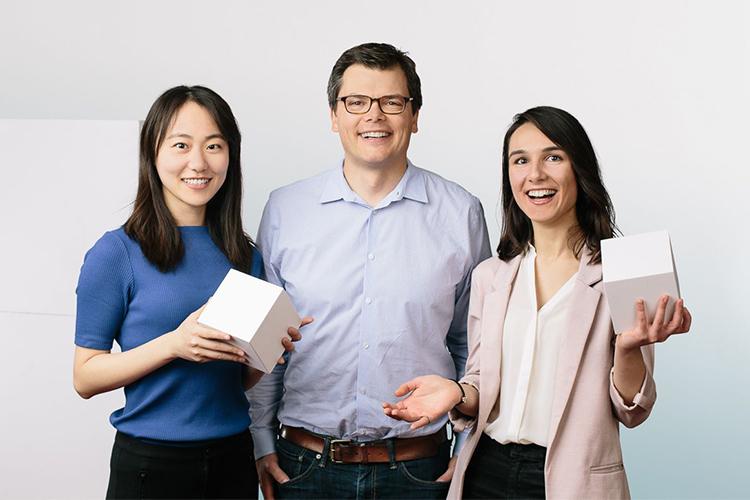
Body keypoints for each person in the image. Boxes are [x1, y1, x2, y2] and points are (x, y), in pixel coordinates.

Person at [383, 106, 692, 499]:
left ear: (579, 169)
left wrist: (629, 348)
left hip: (571, 478)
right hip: (484, 473)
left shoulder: (622, 271)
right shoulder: (491, 276)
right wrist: (457, 393)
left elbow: (631, 409)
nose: (536, 175)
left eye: (553, 157)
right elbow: (480, 379)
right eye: (520, 160)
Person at [248, 42, 491, 499]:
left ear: (414, 116)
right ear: (334, 115)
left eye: (392, 102)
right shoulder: (285, 210)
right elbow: (267, 345)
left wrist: (467, 441)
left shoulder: (460, 214)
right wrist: (260, 440)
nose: (373, 116)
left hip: (420, 471)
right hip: (304, 468)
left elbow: (472, 342)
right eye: (356, 102)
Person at [73, 85, 306, 499]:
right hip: (150, 465)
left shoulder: (244, 254)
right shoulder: (117, 252)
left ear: (230, 155)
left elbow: (236, 379)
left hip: (233, 457)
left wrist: (270, 350)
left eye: (214, 145)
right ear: (153, 153)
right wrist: (174, 344)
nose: (198, 162)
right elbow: (85, 376)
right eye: (181, 145)